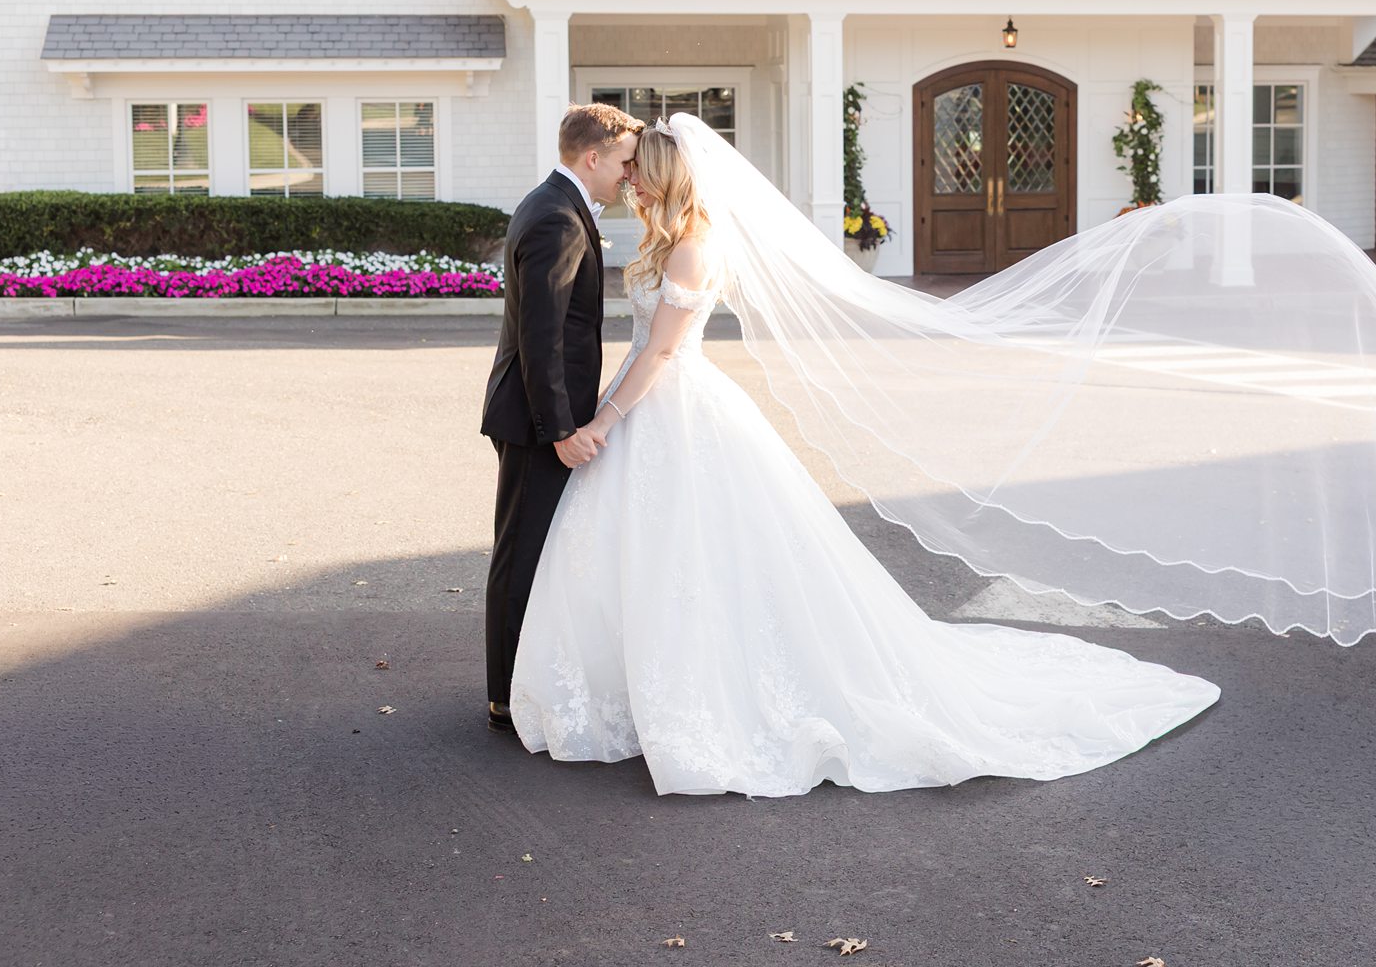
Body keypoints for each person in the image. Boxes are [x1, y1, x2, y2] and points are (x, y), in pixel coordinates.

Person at [506, 118, 1222, 795]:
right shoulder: (666, 239)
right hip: (646, 408)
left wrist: (604, 417)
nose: (631, 184)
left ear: (669, 179)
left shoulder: (694, 244)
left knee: (699, 556)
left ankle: (706, 691)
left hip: (667, 405)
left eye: (641, 175)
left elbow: (662, 349)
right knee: (647, 555)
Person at [479, 101, 641, 734]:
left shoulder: (551, 204)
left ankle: (520, 686)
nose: (629, 176)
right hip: (534, 419)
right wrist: (562, 432)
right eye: (625, 162)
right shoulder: (558, 219)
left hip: (536, 414)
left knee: (531, 550)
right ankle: (505, 697)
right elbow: (542, 339)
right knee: (521, 554)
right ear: (592, 156)